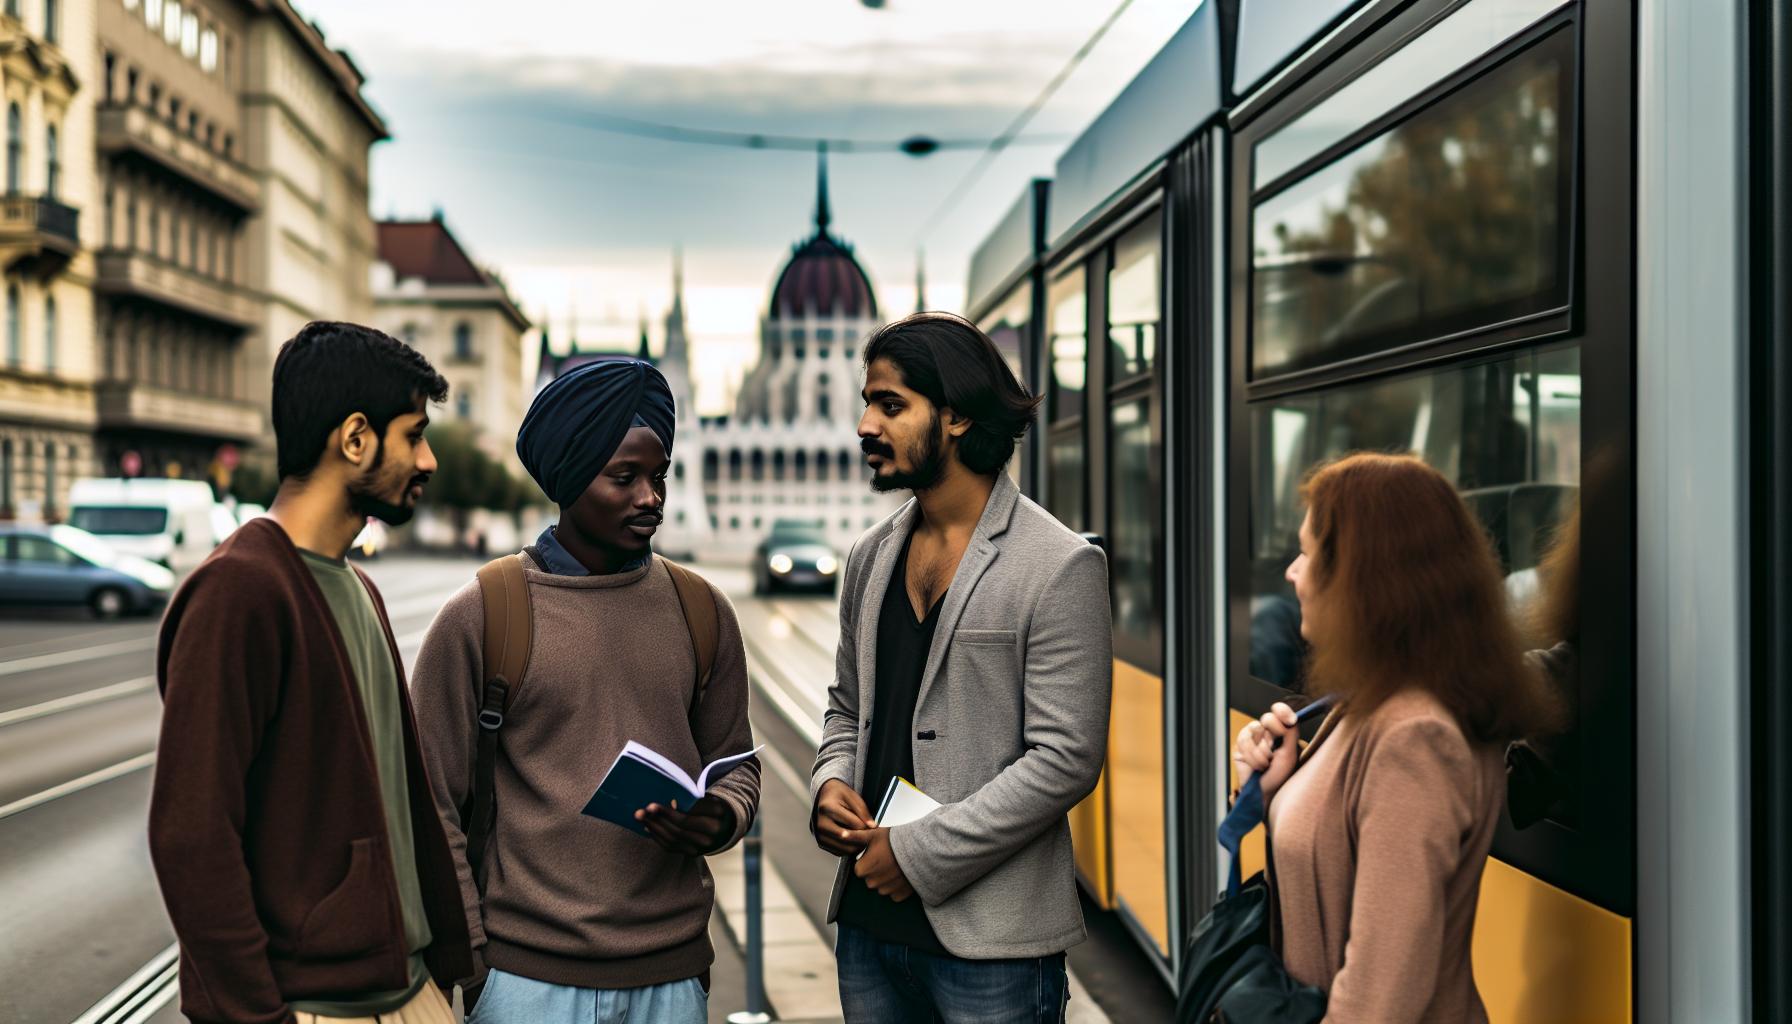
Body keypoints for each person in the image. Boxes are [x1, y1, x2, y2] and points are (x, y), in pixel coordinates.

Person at [409, 357, 760, 1024]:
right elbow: (431, 804)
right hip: (523, 981)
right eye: (623, 478)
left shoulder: (702, 609)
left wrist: (721, 816)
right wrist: (474, 960)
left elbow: (737, 762)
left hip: (672, 977)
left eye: (658, 477)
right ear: (570, 480)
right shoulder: (485, 613)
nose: (650, 497)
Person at [148, 321, 471, 1024]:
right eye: (414, 434)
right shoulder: (240, 591)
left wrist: (440, 978)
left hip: (411, 995)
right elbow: (192, 835)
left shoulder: (360, 589)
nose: (429, 460)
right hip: (319, 1008)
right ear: (355, 438)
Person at [810, 312, 1112, 1023]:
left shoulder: (1059, 564)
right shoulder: (870, 557)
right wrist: (828, 782)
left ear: (952, 417)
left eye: (889, 404)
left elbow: (1066, 758)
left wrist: (917, 854)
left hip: (993, 949)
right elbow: (846, 708)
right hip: (868, 928)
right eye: (867, 403)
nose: (863, 425)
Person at [1233, 452, 1560, 1023]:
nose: (1291, 572)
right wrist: (1272, 789)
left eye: (1307, 554)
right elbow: (1341, 835)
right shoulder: (1378, 698)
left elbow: (1380, 1000)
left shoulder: (1417, 739)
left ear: (1362, 577)